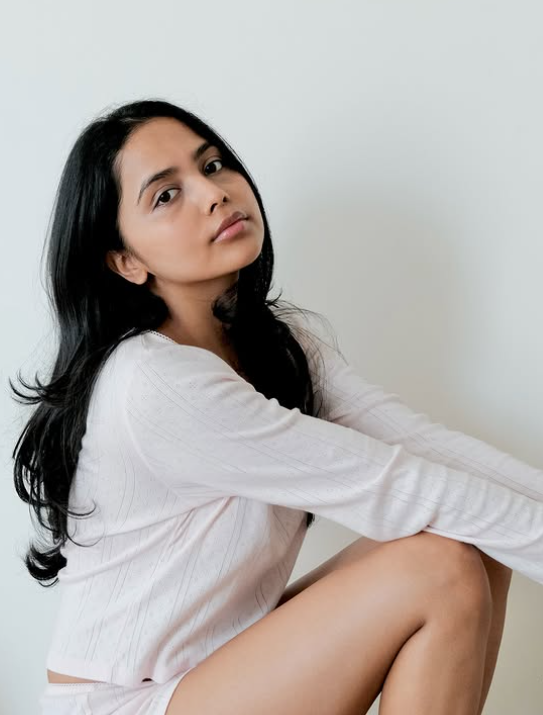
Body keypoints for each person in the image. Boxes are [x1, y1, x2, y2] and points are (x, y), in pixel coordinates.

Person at [10, 98, 541, 715]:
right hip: (125, 705)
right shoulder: (153, 381)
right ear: (126, 261)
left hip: (214, 674)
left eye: (212, 165)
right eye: (166, 195)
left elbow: (424, 448)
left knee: (474, 537)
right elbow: (391, 484)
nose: (214, 194)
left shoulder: (273, 344)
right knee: (439, 566)